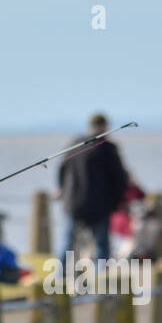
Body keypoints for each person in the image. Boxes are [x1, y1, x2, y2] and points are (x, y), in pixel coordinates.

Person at [57, 112, 129, 265]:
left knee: (68, 244)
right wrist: (117, 202)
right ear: (104, 127)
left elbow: (62, 169)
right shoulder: (108, 148)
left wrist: (61, 190)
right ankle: (100, 282)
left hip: (73, 204)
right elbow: (119, 178)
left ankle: (59, 279)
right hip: (100, 207)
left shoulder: (74, 144)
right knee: (102, 246)